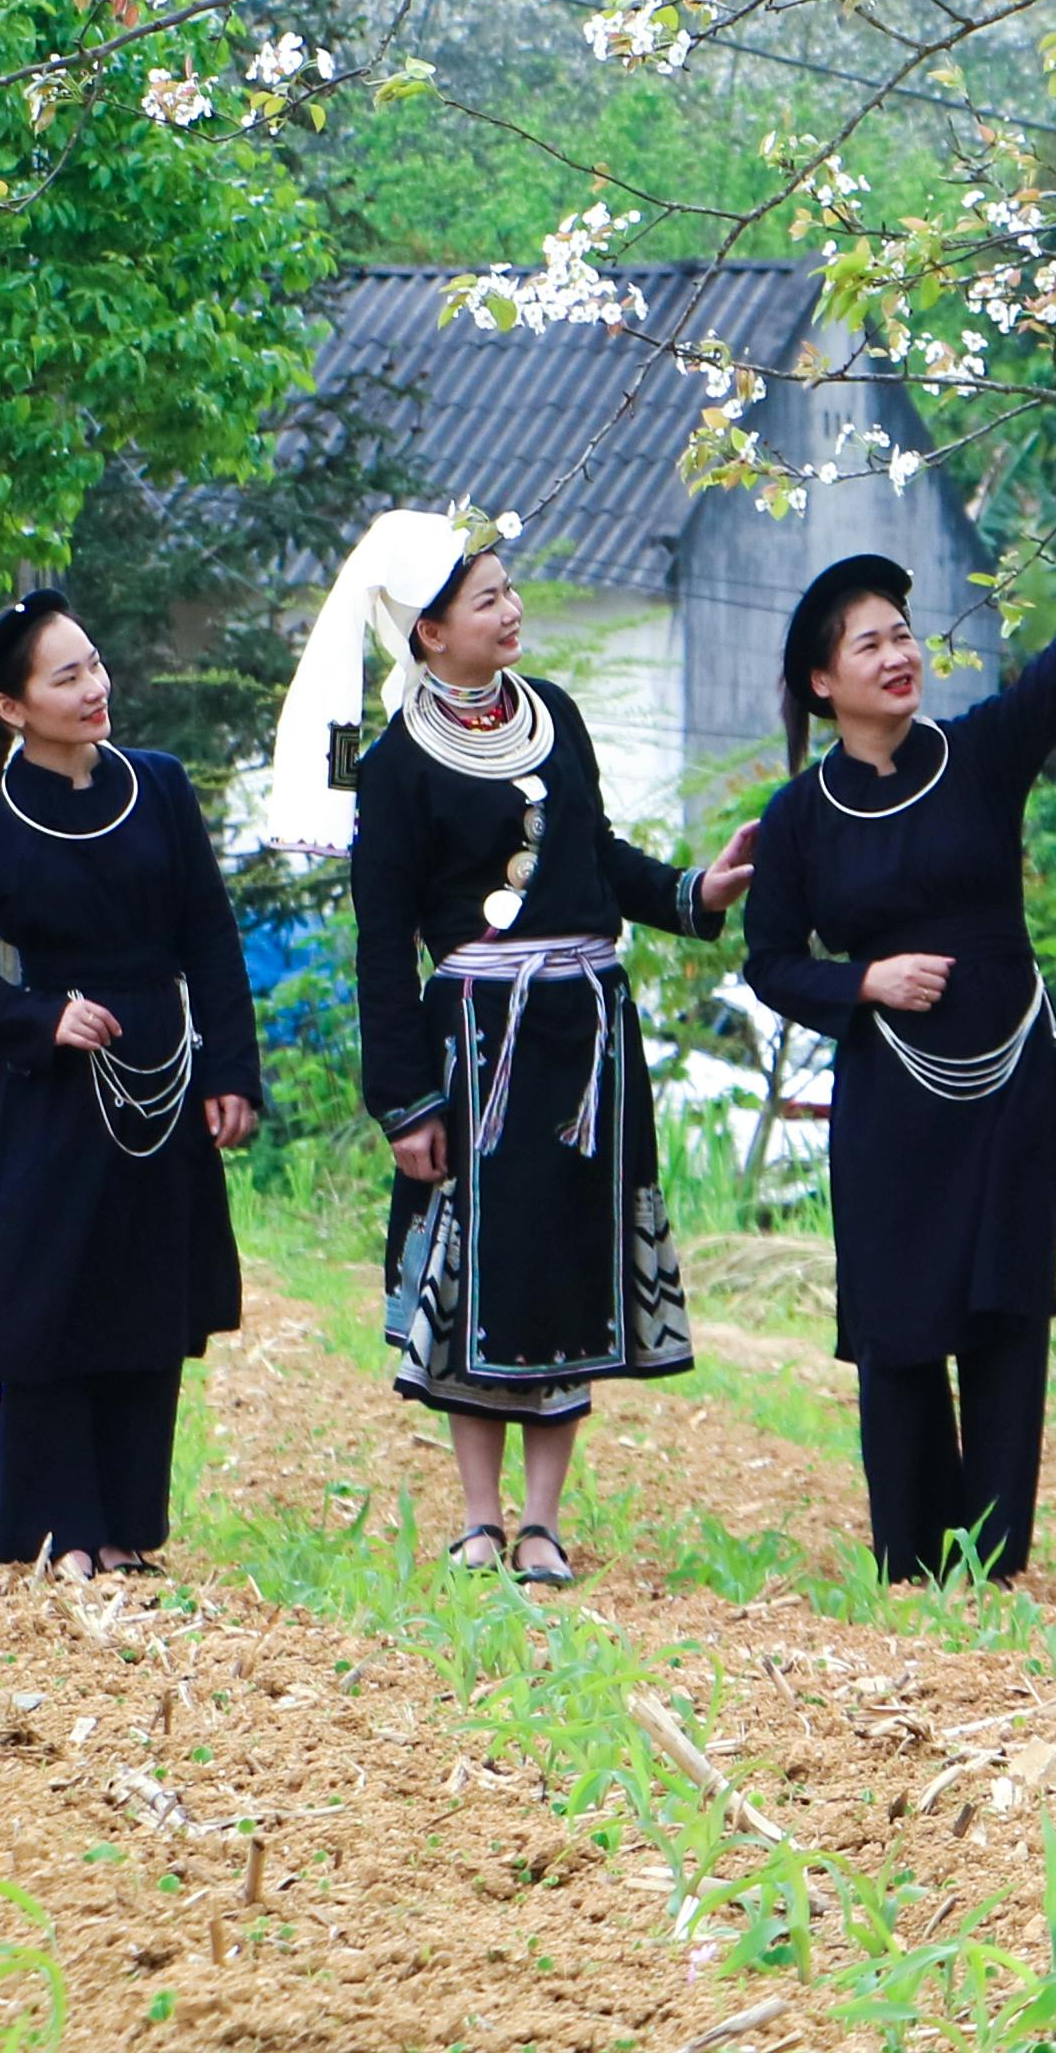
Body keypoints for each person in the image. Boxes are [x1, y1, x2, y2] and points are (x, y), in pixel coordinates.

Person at [738, 493, 1056, 1581]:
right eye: (871, 642)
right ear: (823, 681)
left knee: (1005, 1312)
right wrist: (865, 981)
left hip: (1012, 1080)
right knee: (899, 1319)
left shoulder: (980, 754)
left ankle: (996, 1560)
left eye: (904, 633)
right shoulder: (800, 813)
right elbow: (770, 962)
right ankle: (911, 1558)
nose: (898, 653)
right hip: (890, 1094)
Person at [312, 510, 756, 1587]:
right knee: (479, 1276)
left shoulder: (553, 715)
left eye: (511, 591)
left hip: (585, 1036)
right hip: (473, 1045)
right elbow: (382, 943)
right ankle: (476, 1516)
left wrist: (691, 893)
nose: (513, 611)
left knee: (565, 1266)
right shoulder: (396, 764)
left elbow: (593, 853)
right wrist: (406, 1102)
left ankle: (545, 1521)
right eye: (488, 599)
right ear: (429, 633)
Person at [0, 592, 261, 1570]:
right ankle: (61, 1525)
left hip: (163, 1073)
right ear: (14, 708)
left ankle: (127, 1530)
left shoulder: (162, 784)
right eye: (66, 676)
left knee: (149, 1297)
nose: (95, 686)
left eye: (95, 664)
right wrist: (38, 1019)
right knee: (53, 1302)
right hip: (53, 1089)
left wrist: (231, 1068)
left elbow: (210, 939)